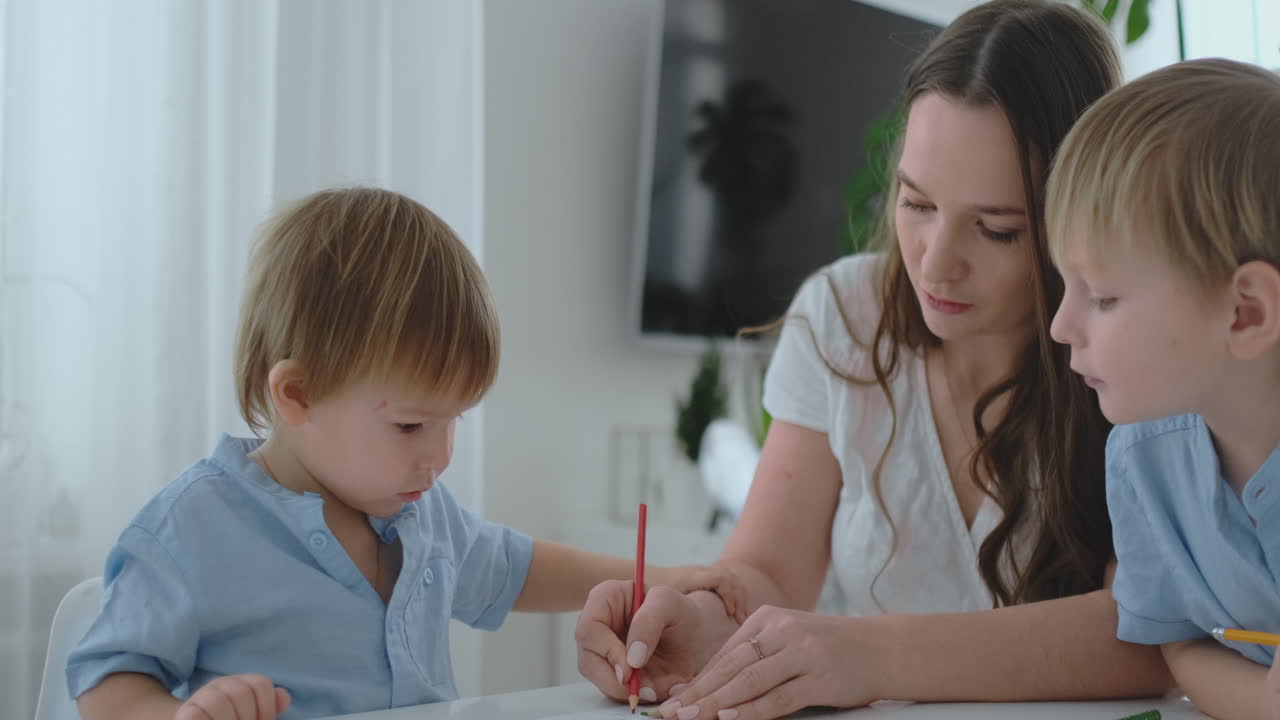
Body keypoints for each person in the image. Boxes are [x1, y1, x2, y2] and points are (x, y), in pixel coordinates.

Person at [575, 2, 1173, 717]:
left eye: (996, 230)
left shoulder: (1139, 351)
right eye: (917, 205)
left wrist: (868, 653)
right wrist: (696, 624)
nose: (936, 264)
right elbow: (766, 571)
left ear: (1077, 217)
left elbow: (1144, 632)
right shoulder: (841, 316)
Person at [66, 187, 744, 720]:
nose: (441, 455)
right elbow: (104, 680)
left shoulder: (421, 514)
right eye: (412, 426)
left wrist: (657, 578)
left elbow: (516, 568)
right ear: (297, 394)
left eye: (454, 422)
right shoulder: (193, 528)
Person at [1048, 58, 1280, 720]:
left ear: (1246, 314)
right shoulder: (1140, 460)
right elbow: (1177, 644)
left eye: (1101, 294)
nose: (1063, 325)